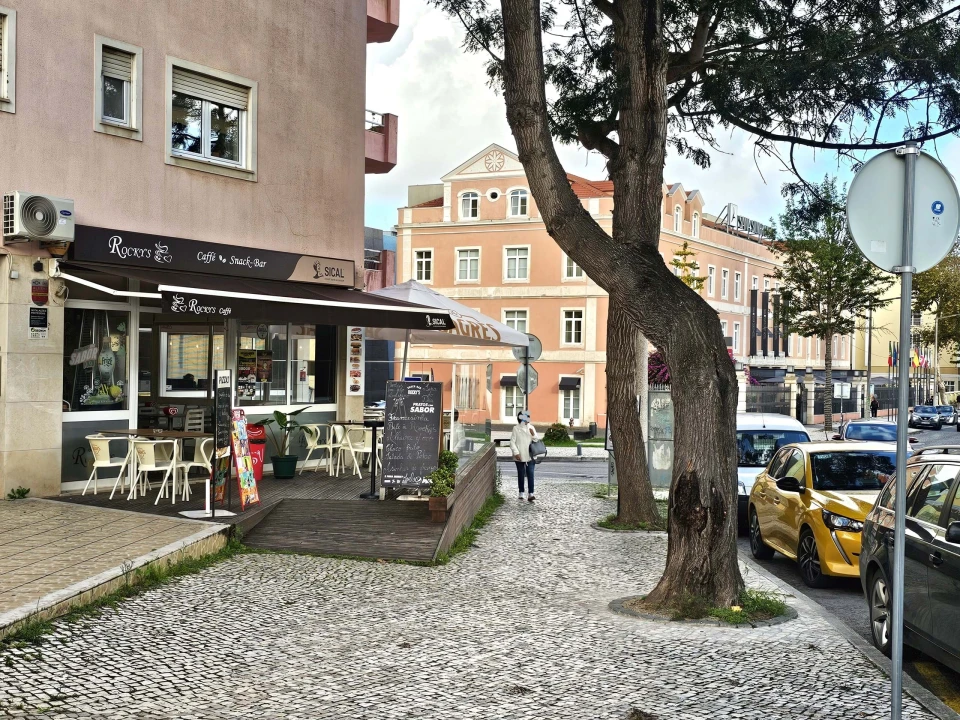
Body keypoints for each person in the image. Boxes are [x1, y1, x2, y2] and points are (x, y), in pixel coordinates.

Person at [510, 410, 538, 502]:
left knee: (530, 473)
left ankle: (531, 493)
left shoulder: (531, 427)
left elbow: (536, 441)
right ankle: (521, 492)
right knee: (521, 473)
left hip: (530, 455)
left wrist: (533, 434)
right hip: (519, 454)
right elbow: (512, 442)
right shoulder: (516, 428)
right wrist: (516, 453)